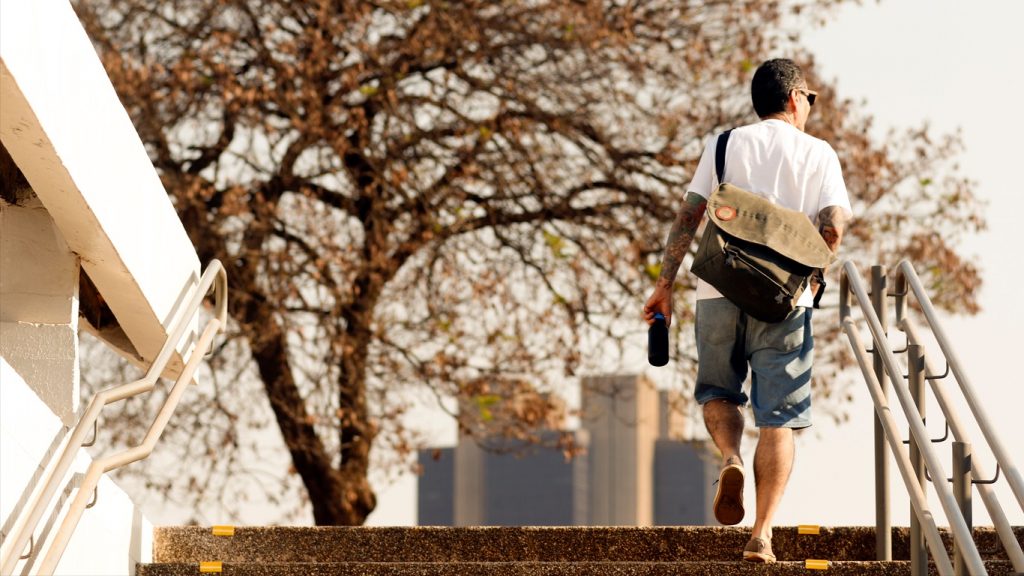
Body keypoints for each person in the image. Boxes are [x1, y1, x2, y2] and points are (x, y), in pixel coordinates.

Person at [643, 58, 851, 563]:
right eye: (811, 100)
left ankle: (731, 458)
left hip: (718, 289)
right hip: (785, 302)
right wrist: (814, 270)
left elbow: (690, 213)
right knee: (779, 418)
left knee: (718, 392)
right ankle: (761, 534)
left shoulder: (724, 143)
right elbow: (835, 225)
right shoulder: (820, 154)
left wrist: (664, 285)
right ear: (796, 97)